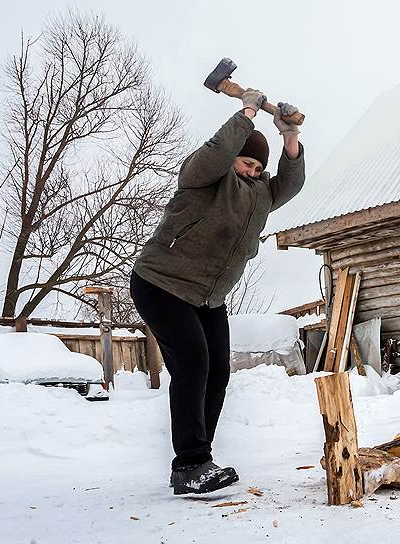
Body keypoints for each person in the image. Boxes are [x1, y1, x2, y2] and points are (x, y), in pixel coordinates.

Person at [129, 88, 305, 495]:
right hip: (161, 284)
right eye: (246, 162)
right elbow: (215, 152)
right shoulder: (204, 176)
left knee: (217, 373)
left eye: (259, 167)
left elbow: (290, 184)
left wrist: (289, 137)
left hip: (208, 298)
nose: (253, 171)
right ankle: (190, 462)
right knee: (192, 363)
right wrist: (247, 112)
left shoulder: (261, 193)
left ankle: (197, 462)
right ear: (232, 159)